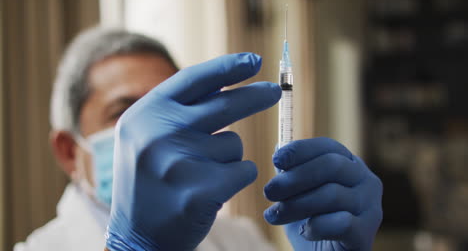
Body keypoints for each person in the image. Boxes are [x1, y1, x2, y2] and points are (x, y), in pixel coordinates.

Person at [14, 27, 383, 251]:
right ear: (67, 151)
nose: (153, 140)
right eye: (124, 114)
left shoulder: (238, 241)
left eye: (164, 114)